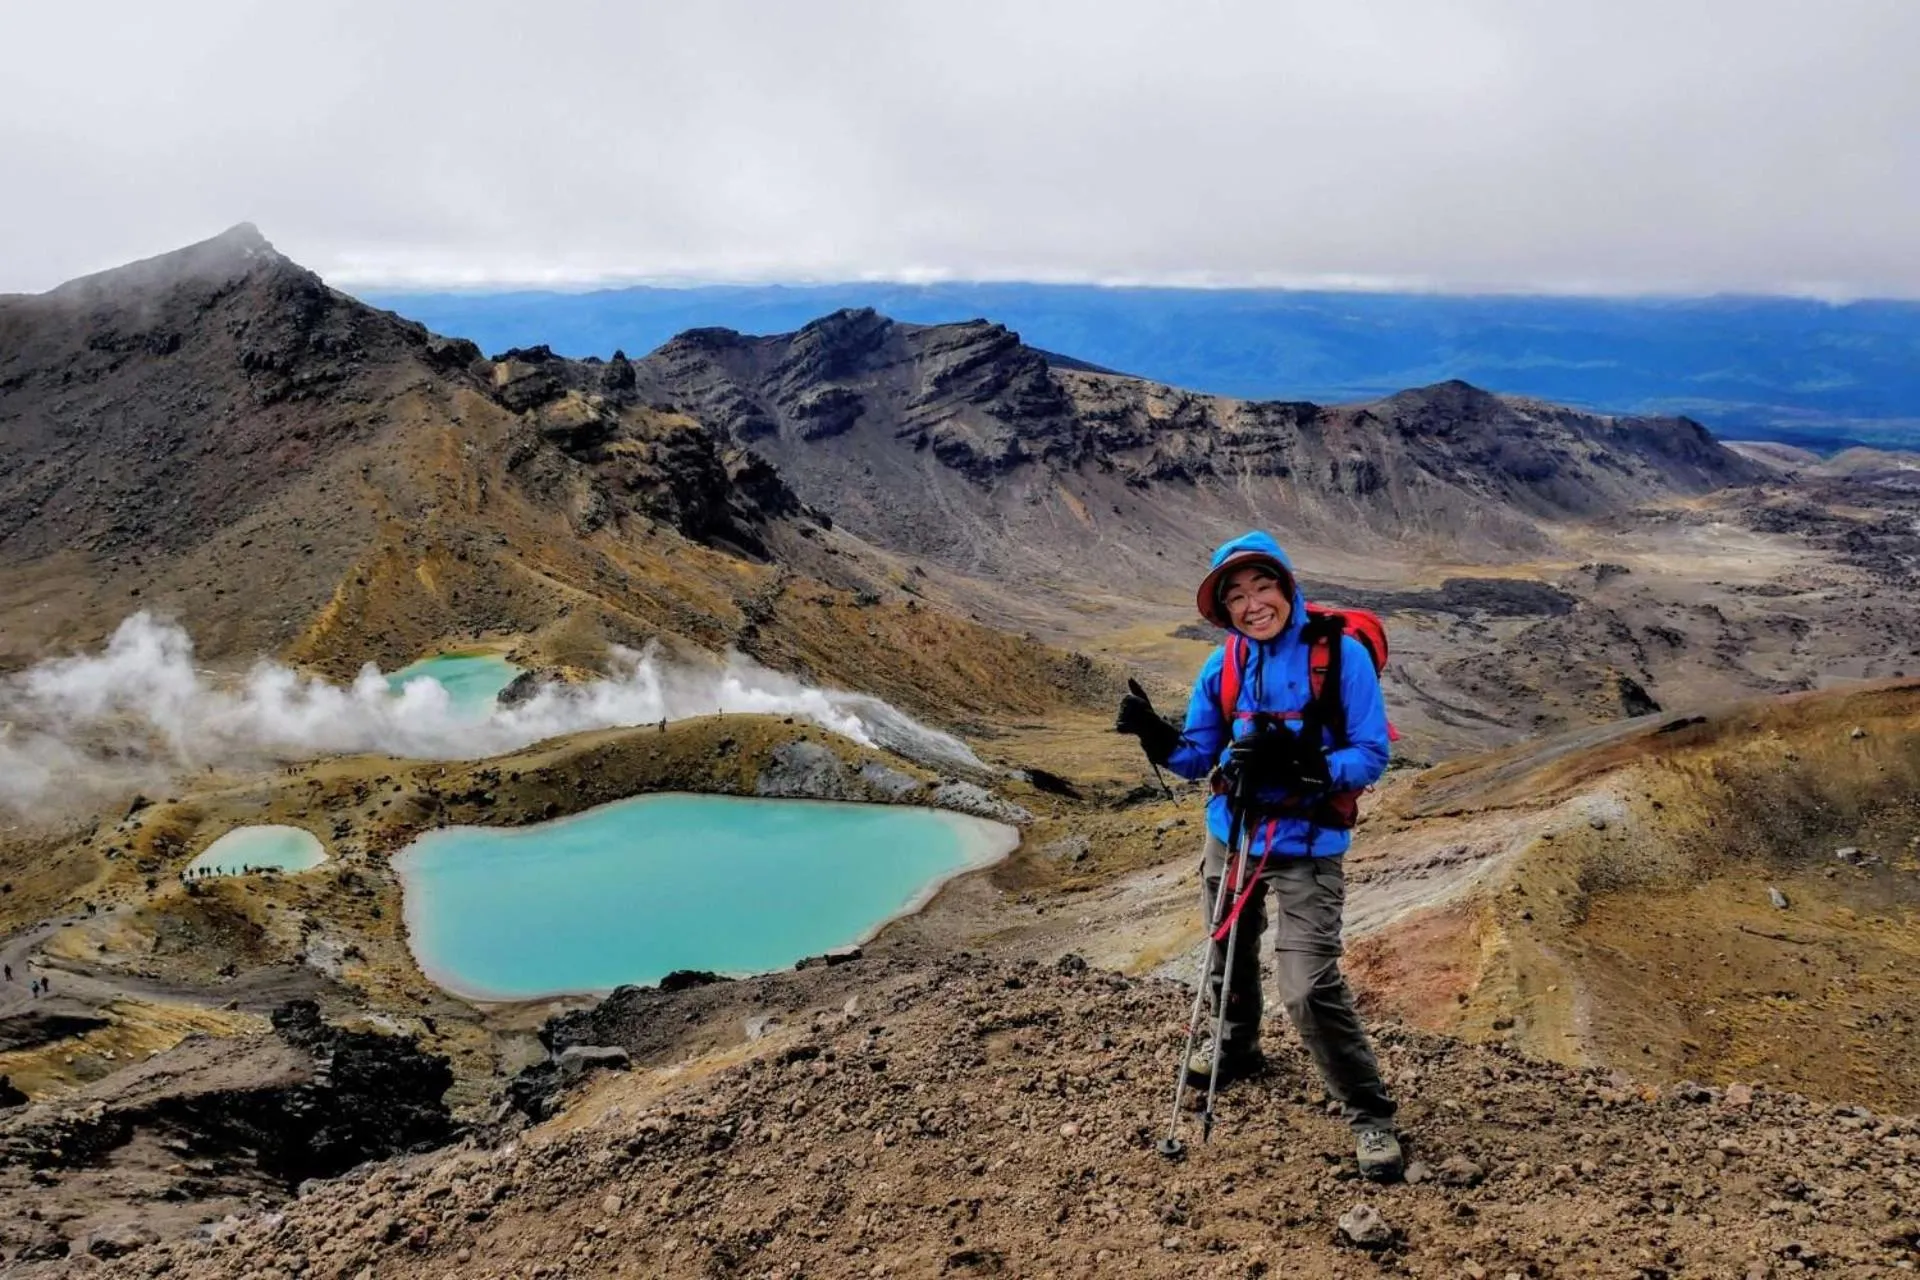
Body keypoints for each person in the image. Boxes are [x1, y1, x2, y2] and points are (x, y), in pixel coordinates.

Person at [1117, 531, 1403, 1181]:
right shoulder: (1224, 666)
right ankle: (1236, 1047)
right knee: (1227, 951)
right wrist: (1157, 735)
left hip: (1307, 843)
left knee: (1306, 987)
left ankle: (1369, 1113)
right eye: (1236, 596)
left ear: (1285, 586)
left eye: (1261, 587)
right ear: (1225, 610)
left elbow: (1372, 754)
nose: (1252, 605)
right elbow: (1197, 756)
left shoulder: (1341, 656)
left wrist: (1305, 764)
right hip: (1234, 832)